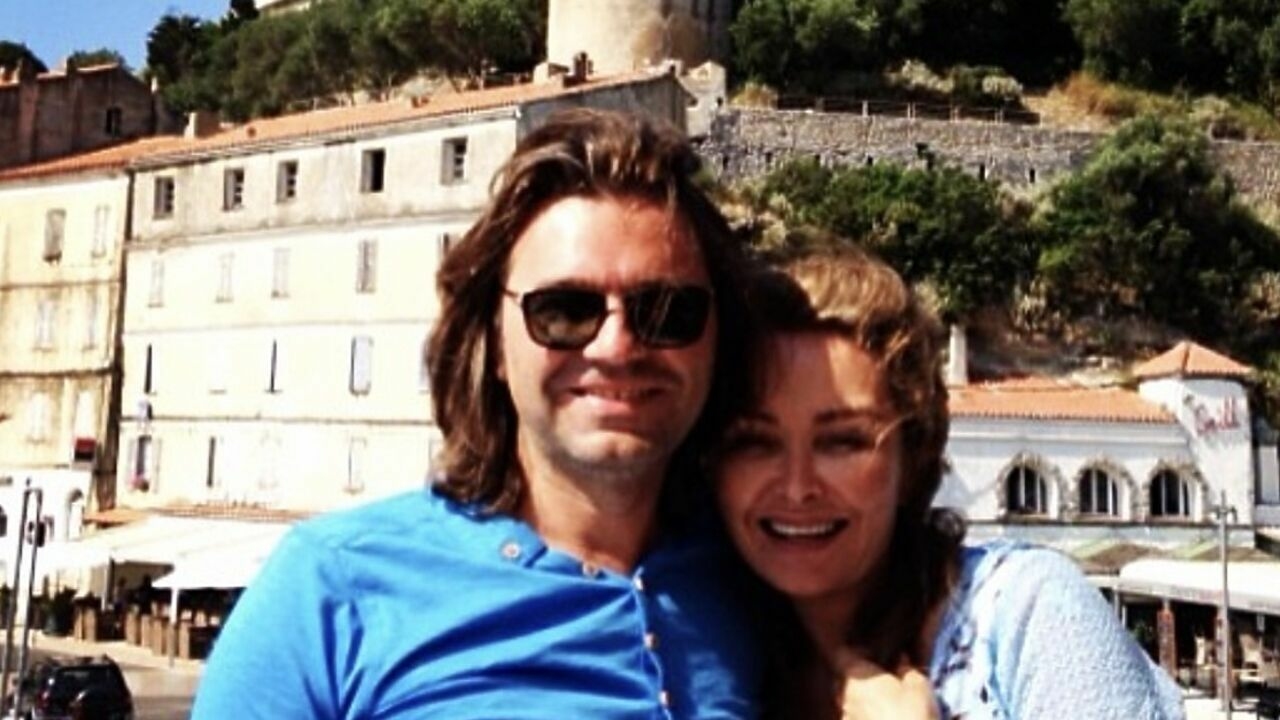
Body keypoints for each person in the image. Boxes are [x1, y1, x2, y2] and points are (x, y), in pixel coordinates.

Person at [191, 108, 759, 719]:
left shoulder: (761, 584)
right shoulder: (330, 589)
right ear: (494, 343)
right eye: (563, 310)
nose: (616, 348)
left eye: (667, 311)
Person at [713, 250, 1185, 720]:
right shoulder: (703, 655)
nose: (797, 486)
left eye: (842, 441)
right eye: (754, 441)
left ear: (913, 456)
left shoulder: (1030, 614)